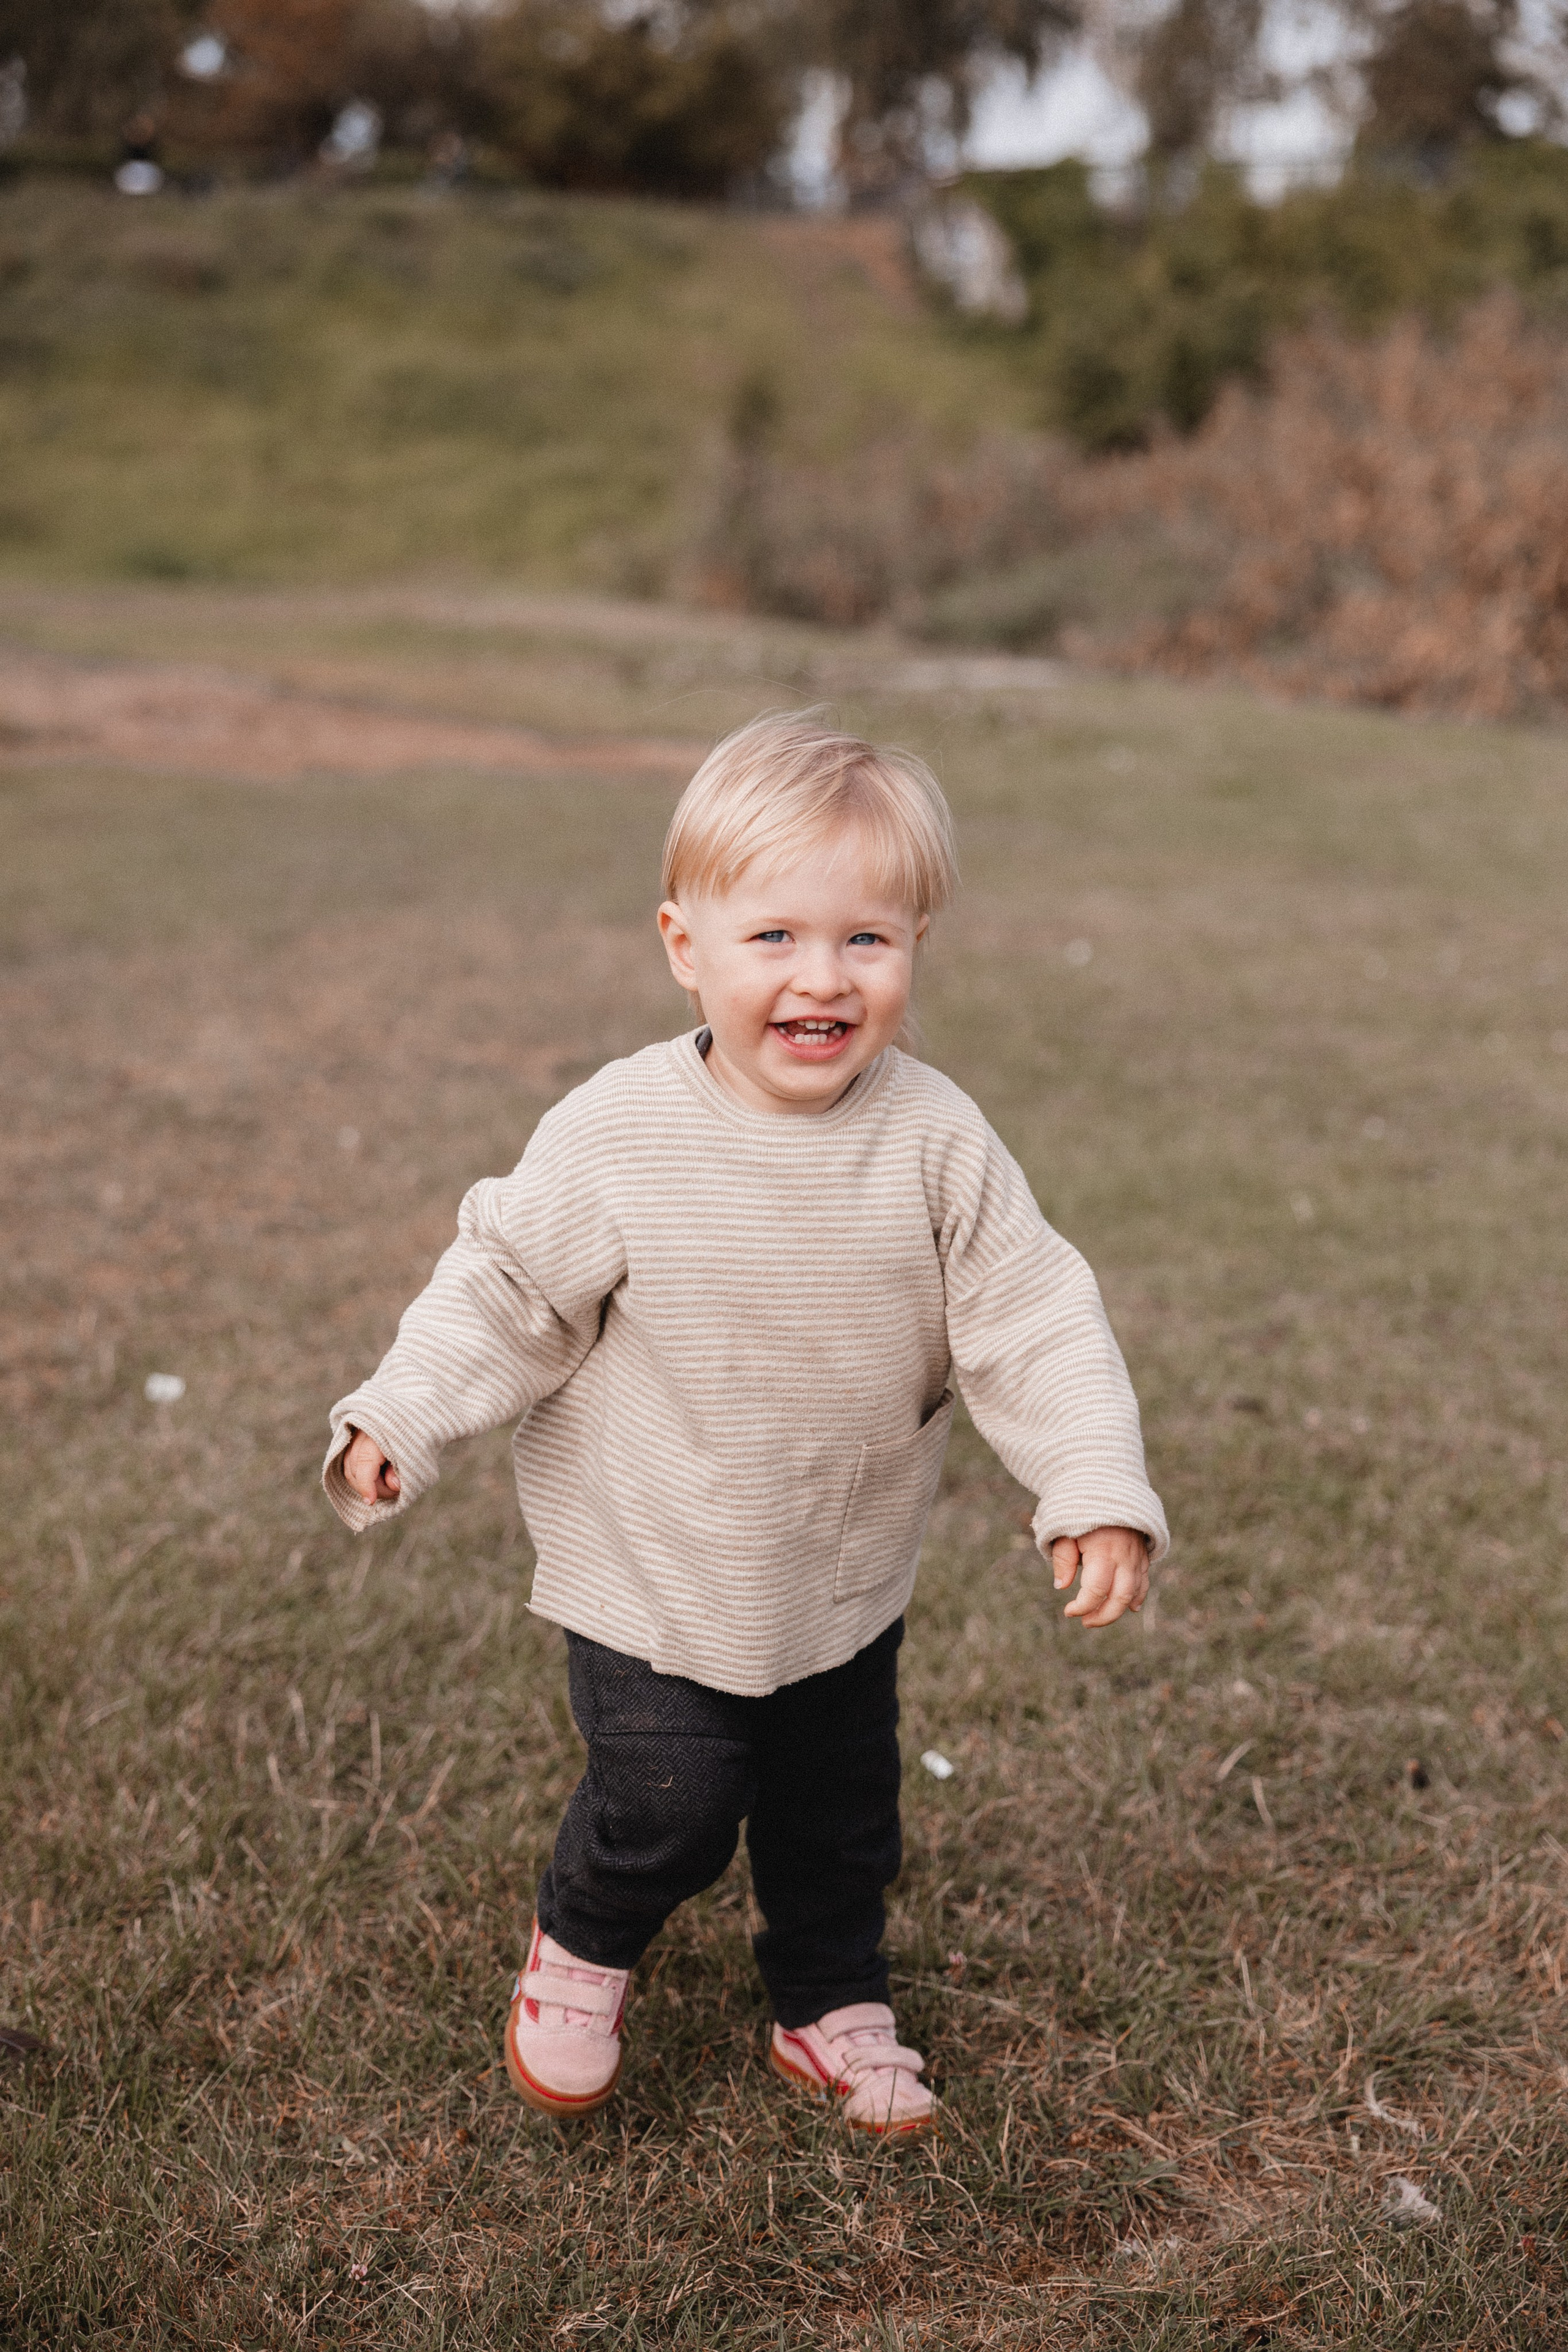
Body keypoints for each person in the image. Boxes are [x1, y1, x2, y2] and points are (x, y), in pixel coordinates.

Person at [325, 712, 1168, 2135]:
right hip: (654, 1556)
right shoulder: (618, 1131)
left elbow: (1027, 1311)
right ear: (683, 947)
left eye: (868, 940)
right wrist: (406, 1409)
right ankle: (585, 1936)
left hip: (837, 1570)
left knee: (838, 1810)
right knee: (672, 1792)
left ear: (913, 949)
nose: (820, 979)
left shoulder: (935, 1139)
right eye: (771, 938)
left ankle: (829, 1997)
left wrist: (1090, 1480)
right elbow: (510, 1288)